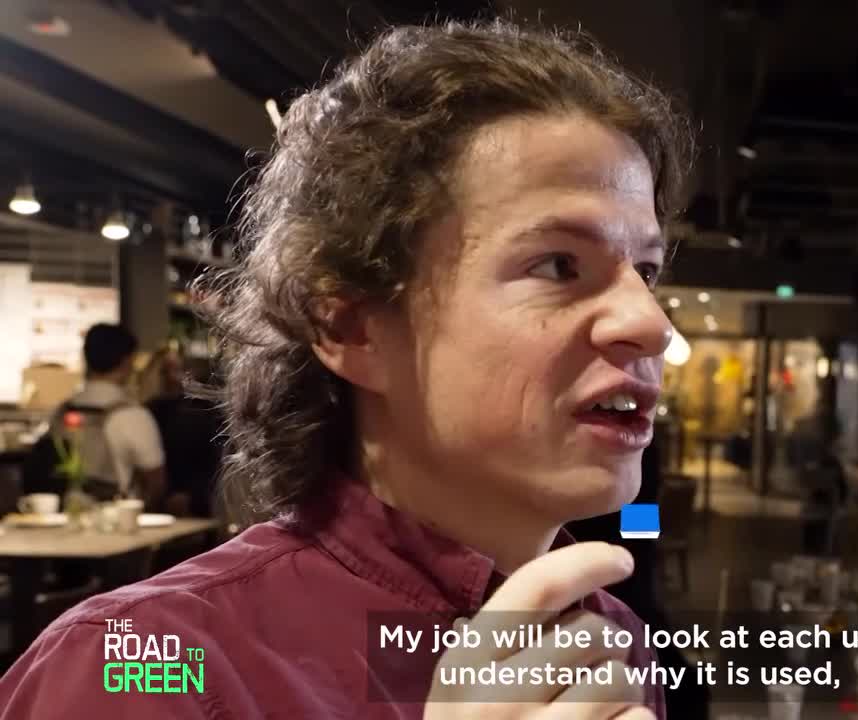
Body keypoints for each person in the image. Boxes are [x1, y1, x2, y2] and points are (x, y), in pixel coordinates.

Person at [0, 20, 691, 719]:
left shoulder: (607, 645)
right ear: (351, 327)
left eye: (645, 271)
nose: (653, 324)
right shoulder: (136, 669)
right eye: (560, 265)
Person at [22, 323, 166, 506]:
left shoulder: (61, 411)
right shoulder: (135, 416)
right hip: (114, 516)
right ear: (127, 362)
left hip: (64, 514)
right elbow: (156, 483)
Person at [144, 351, 223, 517]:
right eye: (164, 371)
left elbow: (218, 460)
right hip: (162, 504)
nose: (170, 377)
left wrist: (194, 496)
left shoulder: (206, 412)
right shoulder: (152, 410)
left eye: (175, 370)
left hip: (198, 504)